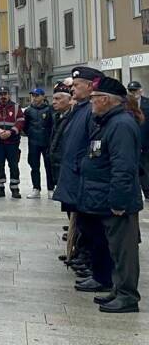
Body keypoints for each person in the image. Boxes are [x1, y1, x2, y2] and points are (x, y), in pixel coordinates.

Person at [83, 76, 142, 313]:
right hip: (107, 198)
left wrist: (118, 201)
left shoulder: (121, 125)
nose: (91, 103)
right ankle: (119, 290)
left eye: (94, 98)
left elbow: (124, 167)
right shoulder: (109, 122)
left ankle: (128, 295)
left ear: (105, 100)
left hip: (119, 201)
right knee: (115, 249)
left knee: (124, 251)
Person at [54, 67, 114, 293]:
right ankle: (90, 264)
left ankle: (97, 271)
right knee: (85, 226)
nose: (73, 88)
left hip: (84, 179)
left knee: (94, 229)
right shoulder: (80, 109)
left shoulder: (90, 111)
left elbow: (91, 145)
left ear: (91, 86)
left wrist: (81, 170)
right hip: (75, 177)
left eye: (77, 85)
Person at [0, 86, 25, 199]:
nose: (3, 96)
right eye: (0, 93)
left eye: (5, 93)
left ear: (9, 94)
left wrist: (11, 132)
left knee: (13, 165)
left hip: (12, 141)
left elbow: (21, 121)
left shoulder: (16, 107)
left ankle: (15, 188)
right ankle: (0, 188)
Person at [23, 88, 54, 198]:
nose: (34, 98)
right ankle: (36, 188)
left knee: (49, 166)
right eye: (33, 96)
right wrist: (31, 134)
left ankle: (51, 188)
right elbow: (25, 127)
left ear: (43, 96)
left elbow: (53, 125)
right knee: (34, 166)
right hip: (33, 142)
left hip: (46, 142)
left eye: (37, 95)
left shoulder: (50, 109)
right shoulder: (28, 111)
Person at [128, 81, 149, 199]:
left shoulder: (147, 103)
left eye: (135, 90)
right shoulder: (127, 104)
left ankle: (147, 191)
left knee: (146, 166)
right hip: (133, 141)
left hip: (146, 141)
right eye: (131, 90)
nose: (133, 93)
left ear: (140, 90)